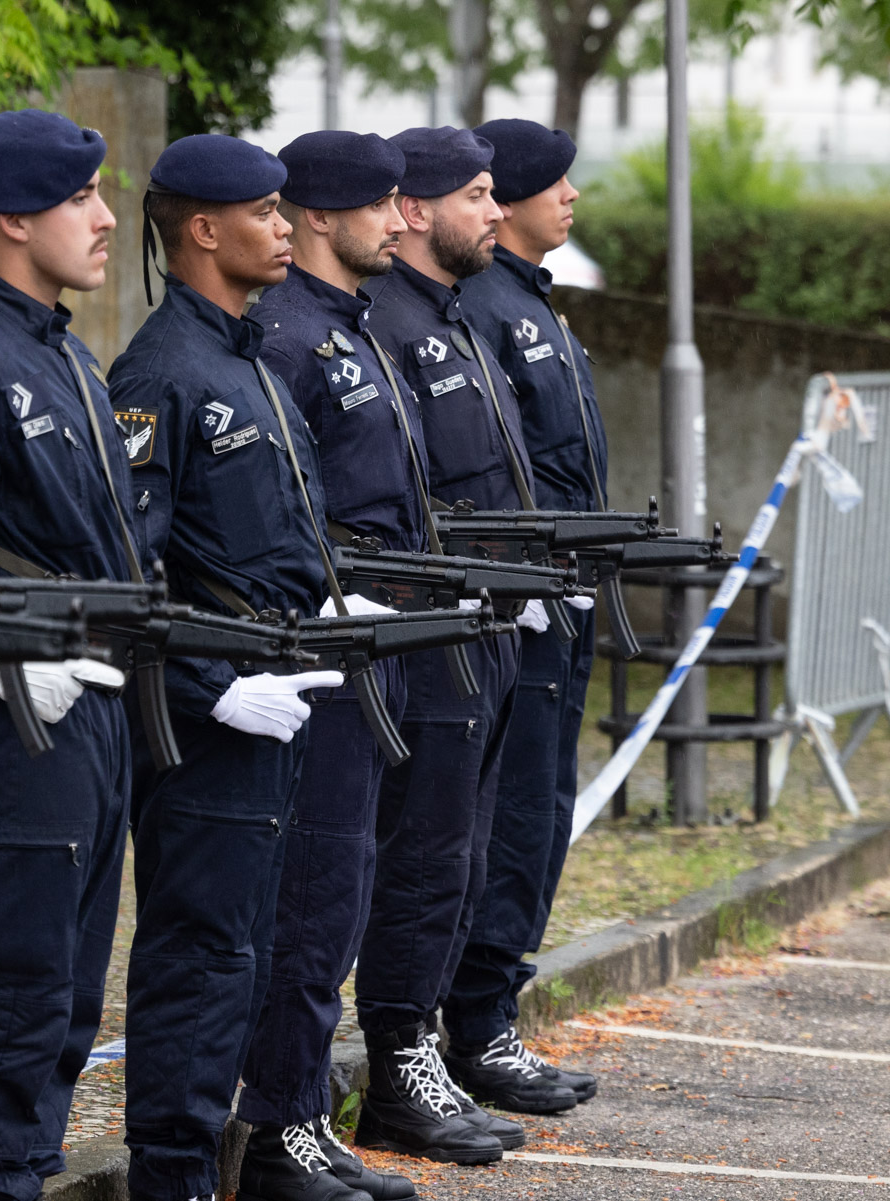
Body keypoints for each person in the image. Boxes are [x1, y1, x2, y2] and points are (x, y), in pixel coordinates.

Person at [105, 133, 346, 1201]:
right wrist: (212, 689)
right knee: (199, 957)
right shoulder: (161, 372)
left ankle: (215, 1161)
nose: (287, 228)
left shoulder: (246, 360)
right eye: (266, 212)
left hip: (275, 703)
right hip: (208, 721)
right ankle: (171, 1177)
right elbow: (132, 574)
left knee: (246, 951)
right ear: (205, 229)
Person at [0, 108, 133, 1201]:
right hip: (20, 707)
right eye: (79, 199)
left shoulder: (61, 354)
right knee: (11, 974)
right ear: (11, 217)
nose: (103, 221)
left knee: (68, 980)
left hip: (90, 696)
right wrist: (3, 659)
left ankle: (21, 1165)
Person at [349, 125, 559, 1164]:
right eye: (476, 194)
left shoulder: (454, 317)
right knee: (425, 859)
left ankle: (430, 1043)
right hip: (428, 629)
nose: (496, 208)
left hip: (486, 625)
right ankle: (399, 1064)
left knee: (466, 854)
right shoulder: (384, 322)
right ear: (420, 209)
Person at [237, 129, 433, 1201]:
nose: (401, 219)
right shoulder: (287, 337)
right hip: (323, 644)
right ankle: (280, 1125)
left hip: (382, 638)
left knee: (349, 885)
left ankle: (304, 1109)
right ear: (321, 215)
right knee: (311, 892)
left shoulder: (352, 329)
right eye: (382, 204)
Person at [443, 117, 603, 1111]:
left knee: (541, 811)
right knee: (505, 816)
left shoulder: (532, 303)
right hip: (521, 598)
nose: (570, 196)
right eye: (557, 182)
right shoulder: (487, 309)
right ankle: (475, 1023)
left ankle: (493, 1008)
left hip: (564, 594)